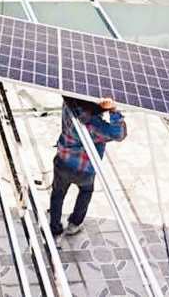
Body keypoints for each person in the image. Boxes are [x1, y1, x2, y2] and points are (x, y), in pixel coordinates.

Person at [49, 97, 127, 236]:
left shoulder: (69, 105)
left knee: (57, 193)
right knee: (85, 192)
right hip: (85, 170)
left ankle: (54, 225)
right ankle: (75, 224)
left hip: (63, 160)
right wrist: (113, 111)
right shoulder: (95, 125)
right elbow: (118, 134)